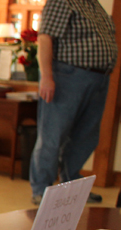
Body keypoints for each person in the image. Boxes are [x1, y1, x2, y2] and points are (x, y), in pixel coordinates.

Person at [29, 0, 117, 205]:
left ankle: (70, 185)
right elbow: (45, 37)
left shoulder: (94, 5)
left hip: (99, 78)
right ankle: (42, 188)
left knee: (86, 136)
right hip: (67, 76)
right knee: (52, 134)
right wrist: (47, 76)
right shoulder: (63, 1)